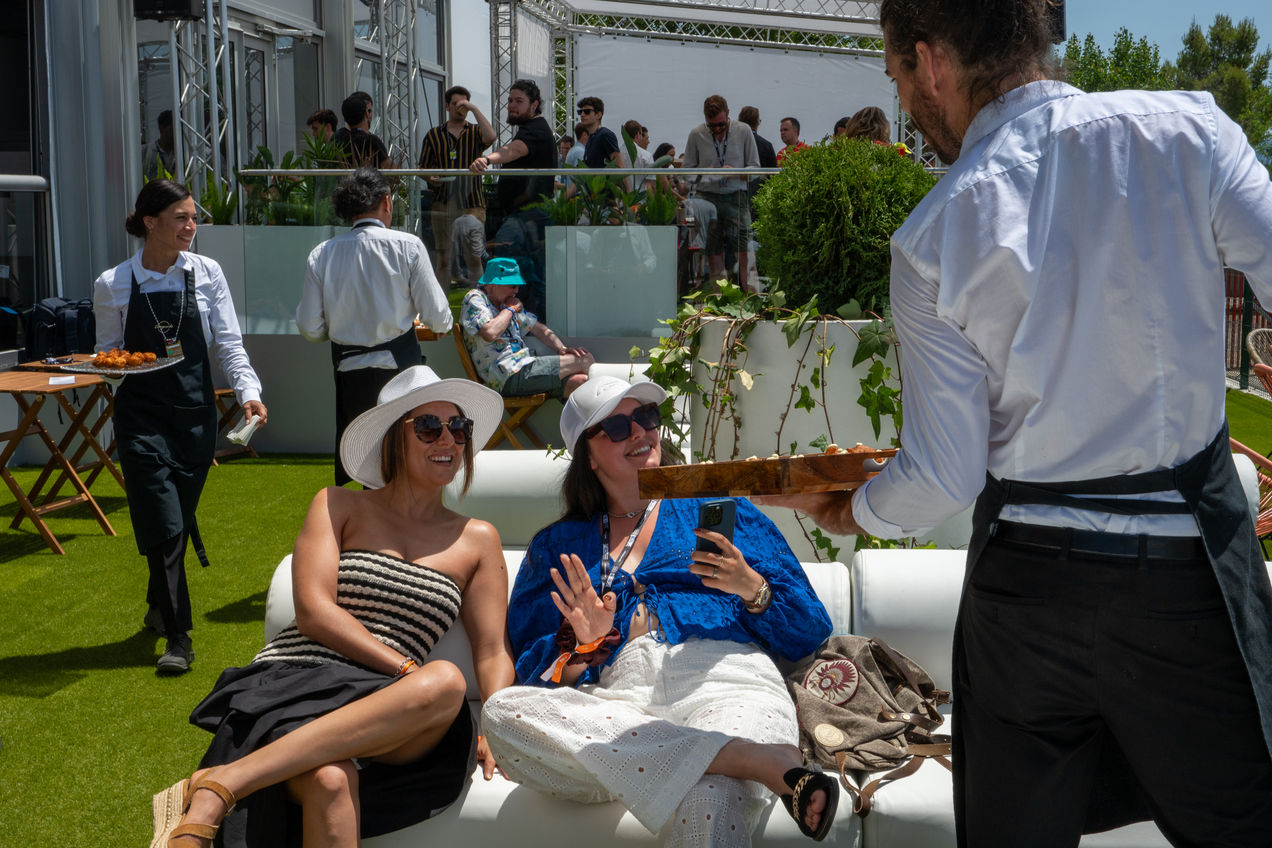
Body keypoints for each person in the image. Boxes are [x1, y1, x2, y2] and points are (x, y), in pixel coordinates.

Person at [762, 0, 1272, 844]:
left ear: (931, 64)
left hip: (1027, 597)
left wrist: (855, 510)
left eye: (897, 77)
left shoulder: (932, 236)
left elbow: (948, 473)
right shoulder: (1188, 134)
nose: (908, 104)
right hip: (1183, 579)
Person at [150, 365, 516, 848]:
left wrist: (497, 721)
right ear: (393, 439)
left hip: (390, 707)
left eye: (459, 427)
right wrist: (404, 666)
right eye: (429, 426)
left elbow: (491, 649)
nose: (447, 438)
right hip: (302, 679)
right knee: (330, 780)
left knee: (446, 683)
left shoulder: (478, 540)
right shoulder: (340, 505)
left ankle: (220, 785)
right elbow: (314, 612)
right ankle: (224, 787)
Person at [481, 375, 839, 846]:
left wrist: (751, 588)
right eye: (616, 425)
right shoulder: (558, 546)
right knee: (504, 713)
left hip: (728, 681)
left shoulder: (719, 511)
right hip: (618, 702)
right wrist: (587, 645)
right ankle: (754, 759)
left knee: (712, 794)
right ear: (587, 455)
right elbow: (532, 669)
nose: (639, 432)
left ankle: (724, 760)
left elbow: (810, 631)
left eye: (647, 417)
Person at [93, 179, 267, 674]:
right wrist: (113, 366)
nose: (191, 227)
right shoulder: (113, 283)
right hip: (141, 417)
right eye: (181, 218)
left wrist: (249, 393)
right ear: (150, 222)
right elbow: (109, 356)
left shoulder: (207, 273)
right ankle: (178, 636)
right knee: (166, 524)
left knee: (174, 517)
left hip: (195, 416)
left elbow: (228, 344)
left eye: (193, 218)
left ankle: (157, 603)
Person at [296, 167, 452, 486]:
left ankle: (369, 532)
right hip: (401, 373)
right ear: (386, 202)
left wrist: (344, 328)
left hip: (349, 372)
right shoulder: (407, 245)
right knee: (403, 462)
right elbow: (438, 317)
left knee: (366, 465)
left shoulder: (322, 254)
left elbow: (310, 328)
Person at [470, 79, 557, 316]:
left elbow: (514, 150)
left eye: (519, 101)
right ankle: (530, 323)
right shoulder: (533, 129)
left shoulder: (536, 130)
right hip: (525, 216)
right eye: (510, 101)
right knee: (529, 273)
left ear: (534, 104)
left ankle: (523, 322)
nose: (512, 106)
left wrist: (488, 159)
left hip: (527, 216)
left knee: (511, 270)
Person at [459, 257, 593, 399]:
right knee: (584, 359)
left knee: (579, 382)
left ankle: (590, 420)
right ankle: (612, 416)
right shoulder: (476, 298)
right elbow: (490, 333)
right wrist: (510, 310)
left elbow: (539, 329)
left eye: (518, 285)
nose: (516, 290)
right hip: (507, 374)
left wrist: (562, 349)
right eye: (512, 285)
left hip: (525, 368)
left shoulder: (505, 304)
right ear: (493, 284)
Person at [417, 85, 496, 285]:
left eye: (464, 105)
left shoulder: (475, 131)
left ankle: (479, 304)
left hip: (472, 203)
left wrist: (474, 108)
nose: (460, 109)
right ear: (447, 106)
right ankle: (441, 308)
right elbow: (423, 168)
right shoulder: (434, 134)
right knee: (444, 260)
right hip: (443, 202)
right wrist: (430, 177)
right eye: (456, 104)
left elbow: (491, 137)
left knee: (473, 257)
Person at [681, 95, 759, 292]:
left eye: (721, 125)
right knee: (713, 253)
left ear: (729, 114)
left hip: (736, 197)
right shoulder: (696, 134)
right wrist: (707, 174)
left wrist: (735, 172)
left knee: (745, 251)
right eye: (712, 125)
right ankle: (720, 302)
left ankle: (753, 301)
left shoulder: (743, 131)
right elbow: (687, 173)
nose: (717, 129)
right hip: (708, 198)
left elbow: (755, 169)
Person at [334, 92, 392, 169]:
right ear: (366, 113)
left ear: (345, 118)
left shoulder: (338, 139)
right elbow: (392, 175)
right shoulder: (372, 141)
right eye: (369, 111)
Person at [143, 109, 176, 181]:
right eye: (173, 128)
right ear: (162, 128)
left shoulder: (184, 153)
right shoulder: (145, 151)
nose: (177, 132)